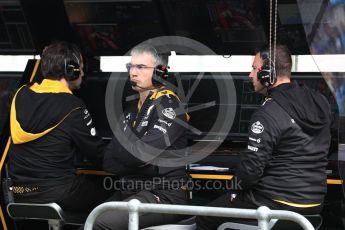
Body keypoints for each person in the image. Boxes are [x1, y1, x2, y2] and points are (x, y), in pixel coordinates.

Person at [196, 44, 332, 229]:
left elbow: (251, 170)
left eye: (254, 68)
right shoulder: (320, 101)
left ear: (267, 73)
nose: (250, 75)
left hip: (274, 203)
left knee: (205, 217)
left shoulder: (268, 112)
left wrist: (235, 188)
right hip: (313, 205)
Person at [93, 44, 189, 229]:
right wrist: (139, 160)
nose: (133, 73)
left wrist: (132, 155)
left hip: (165, 194)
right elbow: (108, 161)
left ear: (160, 71)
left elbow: (140, 154)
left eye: (141, 67)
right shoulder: (131, 111)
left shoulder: (170, 106)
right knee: (88, 221)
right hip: (132, 191)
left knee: (101, 223)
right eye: (131, 66)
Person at [8, 41, 110, 212]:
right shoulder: (73, 105)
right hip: (59, 192)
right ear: (71, 70)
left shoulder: (20, 95)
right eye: (81, 68)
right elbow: (97, 153)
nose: (83, 73)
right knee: (113, 207)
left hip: (20, 192)